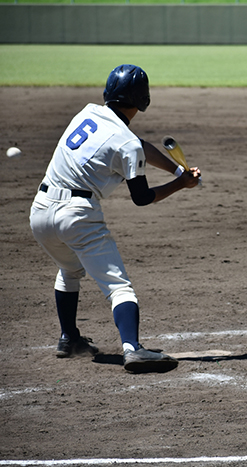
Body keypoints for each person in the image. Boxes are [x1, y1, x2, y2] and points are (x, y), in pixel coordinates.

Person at [29, 64, 202, 373]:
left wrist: (178, 170)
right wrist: (182, 184)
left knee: (69, 269)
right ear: (142, 99)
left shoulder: (87, 114)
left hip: (40, 211)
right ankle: (133, 349)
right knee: (119, 287)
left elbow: (138, 146)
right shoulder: (127, 144)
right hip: (78, 216)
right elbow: (142, 197)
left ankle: (69, 338)